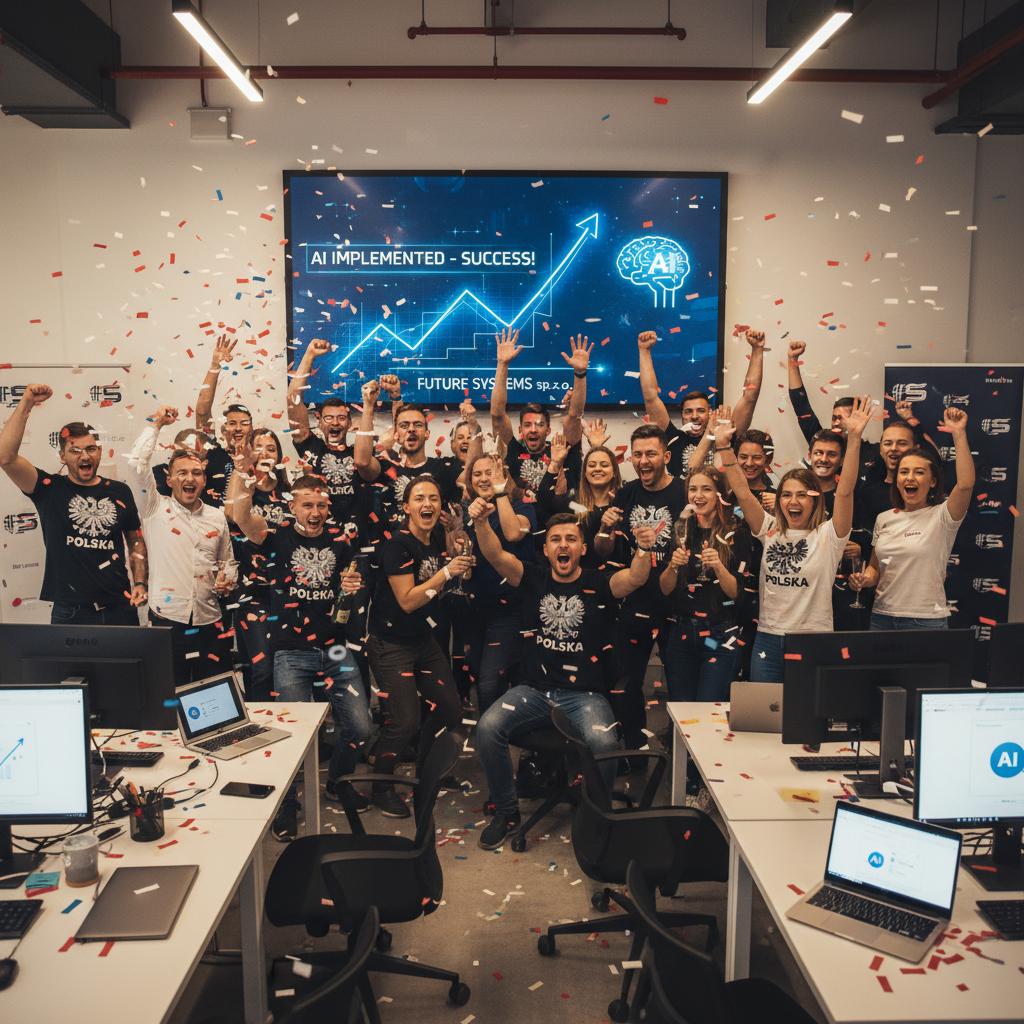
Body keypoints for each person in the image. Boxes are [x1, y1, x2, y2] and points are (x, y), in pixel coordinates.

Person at [468, 507, 657, 849]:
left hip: (585, 695)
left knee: (604, 744)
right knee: (487, 728)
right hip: (535, 691)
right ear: (546, 549)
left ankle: (598, 818)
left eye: (571, 539)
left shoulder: (598, 582)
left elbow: (634, 578)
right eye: (555, 539)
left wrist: (643, 549)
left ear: (582, 548)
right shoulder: (532, 577)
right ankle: (507, 812)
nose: (563, 545)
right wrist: (480, 522)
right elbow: (495, 554)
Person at [226, 458, 370, 840]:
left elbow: (346, 590)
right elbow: (242, 517)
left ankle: (337, 781)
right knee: (291, 736)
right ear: (292, 506)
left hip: (335, 649)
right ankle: (287, 805)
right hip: (291, 652)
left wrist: (350, 588)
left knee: (360, 725)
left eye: (321, 505)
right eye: (307, 505)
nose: (315, 512)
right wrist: (243, 474)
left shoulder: (341, 542)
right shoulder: (277, 537)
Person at [715, 397, 872, 682]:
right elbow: (742, 492)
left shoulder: (829, 535)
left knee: (808, 710)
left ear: (816, 500)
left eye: (802, 495)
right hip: (768, 639)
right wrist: (724, 446)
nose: (793, 501)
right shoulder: (769, 528)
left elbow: (845, 491)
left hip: (812, 641)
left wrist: (854, 439)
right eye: (786, 494)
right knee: (767, 708)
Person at [366, 475, 470, 818]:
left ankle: (428, 770)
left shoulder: (437, 539)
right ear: (406, 507)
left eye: (434, 498)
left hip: (423, 641)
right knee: (405, 721)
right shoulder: (397, 546)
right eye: (420, 498)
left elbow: (452, 575)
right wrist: (447, 573)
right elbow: (409, 601)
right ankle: (381, 786)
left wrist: (457, 549)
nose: (428, 504)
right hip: (391, 644)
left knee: (450, 708)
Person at [0, 384, 148, 624]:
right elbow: (5, 457)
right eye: (75, 450)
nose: (85, 456)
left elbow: (135, 540)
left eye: (91, 449)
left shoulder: (120, 491)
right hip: (70, 611)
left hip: (120, 607)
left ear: (100, 452)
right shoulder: (48, 489)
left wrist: (140, 582)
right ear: (62, 456)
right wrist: (27, 402)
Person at [594, 424, 687, 753]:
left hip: (677, 606)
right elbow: (603, 550)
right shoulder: (627, 494)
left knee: (680, 688)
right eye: (638, 454)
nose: (644, 461)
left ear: (667, 456)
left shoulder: (685, 492)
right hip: (634, 606)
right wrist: (605, 529)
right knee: (628, 685)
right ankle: (634, 753)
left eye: (651, 454)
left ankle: (683, 758)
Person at [126, 405, 234, 682]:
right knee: (168, 694)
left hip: (210, 620)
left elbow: (227, 563)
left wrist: (228, 579)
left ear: (204, 480)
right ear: (169, 479)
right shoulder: (154, 508)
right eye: (182, 473)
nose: (189, 478)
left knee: (213, 693)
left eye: (196, 473)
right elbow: (136, 464)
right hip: (167, 620)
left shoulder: (216, 517)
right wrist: (156, 423)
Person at [849, 408, 974, 630]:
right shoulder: (884, 518)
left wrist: (959, 434)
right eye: (904, 472)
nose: (910, 477)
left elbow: (965, 485)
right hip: (881, 618)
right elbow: (876, 568)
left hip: (925, 620)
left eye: (919, 472)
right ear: (897, 480)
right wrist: (865, 579)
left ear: (932, 481)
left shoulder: (943, 516)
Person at [659, 465, 757, 701]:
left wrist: (719, 567)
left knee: (709, 708)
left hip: (719, 636)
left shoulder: (737, 531)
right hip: (682, 634)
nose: (698, 496)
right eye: (693, 489)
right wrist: (673, 566)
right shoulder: (681, 528)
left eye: (706, 489)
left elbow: (737, 593)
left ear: (719, 494)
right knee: (681, 709)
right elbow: (665, 588)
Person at [452, 453, 535, 713]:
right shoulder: (470, 509)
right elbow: (462, 553)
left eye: (490, 472)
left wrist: (500, 493)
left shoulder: (522, 505)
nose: (483, 478)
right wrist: (457, 538)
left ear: (503, 476)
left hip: (510, 609)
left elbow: (513, 533)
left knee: (489, 684)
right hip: (476, 609)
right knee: (481, 677)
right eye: (477, 474)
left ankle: (493, 732)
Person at [637, 328, 765, 478]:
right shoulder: (672, 437)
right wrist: (644, 351)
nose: (694, 416)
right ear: (682, 416)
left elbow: (750, 397)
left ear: (711, 414)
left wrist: (757, 350)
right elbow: (650, 397)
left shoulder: (726, 436)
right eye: (688, 411)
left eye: (701, 410)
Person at [355, 381, 480, 531]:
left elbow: (473, 474)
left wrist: (474, 426)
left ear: (427, 434)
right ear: (396, 435)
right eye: (404, 426)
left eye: (418, 425)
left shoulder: (444, 468)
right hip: (393, 544)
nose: (411, 429)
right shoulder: (385, 467)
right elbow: (362, 462)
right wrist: (368, 406)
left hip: (434, 545)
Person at [230, 428, 292, 701]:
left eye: (271, 448)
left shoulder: (289, 493)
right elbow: (232, 514)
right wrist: (243, 471)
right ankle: (259, 721)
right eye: (259, 447)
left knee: (284, 667)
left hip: (286, 593)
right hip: (253, 592)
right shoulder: (245, 491)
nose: (265, 453)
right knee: (262, 668)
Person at [489, 328, 591, 493]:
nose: (533, 429)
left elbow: (575, 416)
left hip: (559, 510)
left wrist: (580, 373)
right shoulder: (513, 451)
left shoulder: (561, 451)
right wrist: (502, 364)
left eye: (540, 424)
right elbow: (497, 414)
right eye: (527, 425)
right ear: (520, 430)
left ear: (548, 430)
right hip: (518, 510)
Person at [286, 338, 366, 534]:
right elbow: (293, 399)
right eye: (329, 418)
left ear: (349, 423)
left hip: (356, 536)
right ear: (319, 421)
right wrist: (309, 355)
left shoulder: (360, 454)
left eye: (341, 418)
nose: (335, 423)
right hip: (319, 532)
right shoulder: (310, 446)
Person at [536, 436, 624, 569]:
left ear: (614, 472)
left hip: (615, 575)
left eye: (604, 465)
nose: (597, 469)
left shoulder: (624, 502)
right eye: (591, 465)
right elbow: (544, 500)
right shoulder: (573, 503)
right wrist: (555, 463)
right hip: (578, 575)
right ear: (585, 473)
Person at [193, 335, 255, 506]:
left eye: (244, 423)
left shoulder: (259, 458)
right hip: (215, 521)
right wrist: (215, 366)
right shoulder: (213, 453)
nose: (238, 428)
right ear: (223, 430)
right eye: (232, 423)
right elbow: (202, 412)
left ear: (252, 429)